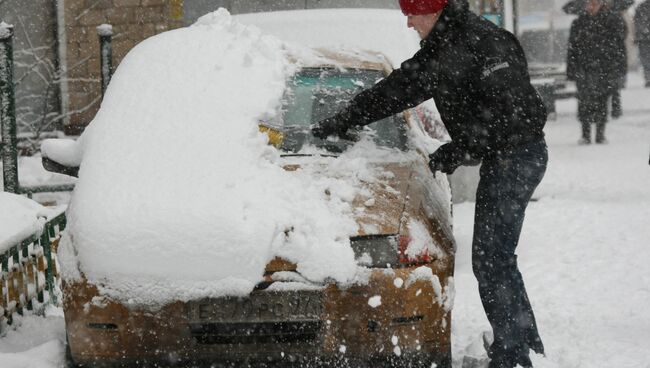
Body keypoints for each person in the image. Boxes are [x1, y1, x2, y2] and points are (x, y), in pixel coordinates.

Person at [311, 0, 547, 366]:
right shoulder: (443, 48)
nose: (408, 23)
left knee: (492, 259)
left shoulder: (483, 43)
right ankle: (521, 342)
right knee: (496, 257)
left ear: (433, 10)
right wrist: (344, 119)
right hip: (508, 156)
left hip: (518, 157)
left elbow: (516, 113)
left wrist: (461, 148)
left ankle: (514, 354)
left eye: (412, 13)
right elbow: (397, 89)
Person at [567, 0, 627, 144]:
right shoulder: (578, 23)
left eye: (594, 3)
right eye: (588, 3)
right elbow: (572, 49)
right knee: (584, 101)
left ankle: (600, 133)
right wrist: (571, 69)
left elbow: (619, 46)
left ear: (601, 4)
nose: (591, 7)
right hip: (584, 68)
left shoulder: (611, 21)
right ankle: (585, 134)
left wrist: (619, 67)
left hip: (604, 68)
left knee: (602, 100)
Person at [635, 0, 650, 87]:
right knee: (645, 59)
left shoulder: (641, 7)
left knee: (645, 60)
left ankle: (648, 78)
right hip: (643, 39)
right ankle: (648, 78)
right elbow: (638, 22)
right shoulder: (641, 7)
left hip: (643, 38)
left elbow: (637, 22)